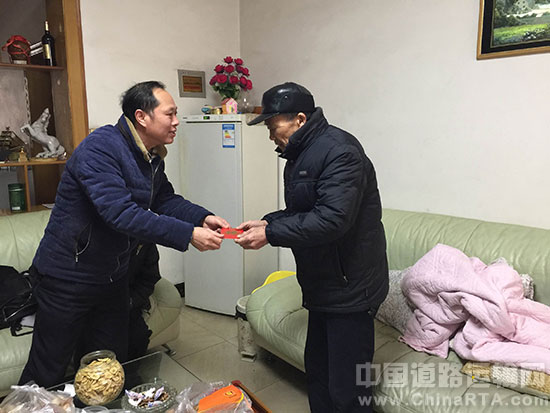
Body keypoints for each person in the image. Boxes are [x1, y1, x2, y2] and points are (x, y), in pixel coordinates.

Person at [20, 80, 228, 388]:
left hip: (113, 278)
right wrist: (187, 234)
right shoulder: (100, 148)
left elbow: (164, 199)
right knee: (46, 371)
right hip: (68, 277)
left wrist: (202, 217)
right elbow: (120, 213)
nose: (176, 121)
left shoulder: (151, 154)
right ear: (142, 117)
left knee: (107, 370)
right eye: (170, 114)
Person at [236, 82, 389, 412]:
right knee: (318, 373)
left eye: (273, 126)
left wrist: (271, 234)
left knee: (349, 389)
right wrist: (267, 222)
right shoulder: (300, 154)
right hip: (321, 281)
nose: (270, 136)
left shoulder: (341, 152)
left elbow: (332, 220)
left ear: (300, 119)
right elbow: (304, 211)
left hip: (350, 286)